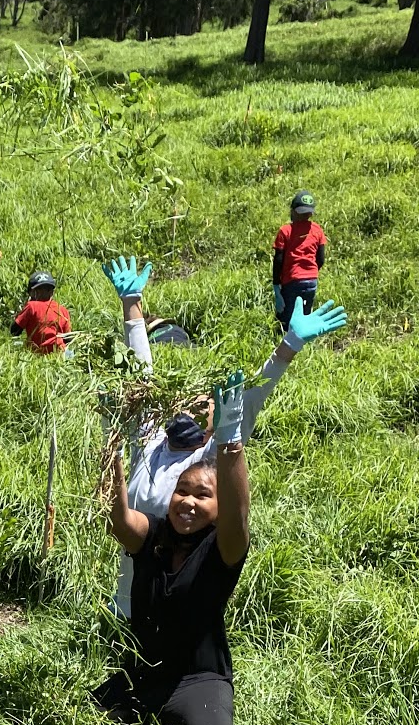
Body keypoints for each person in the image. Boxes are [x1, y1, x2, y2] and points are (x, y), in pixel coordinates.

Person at [102, 254, 347, 617]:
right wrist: (132, 305)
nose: (190, 408)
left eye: (203, 404)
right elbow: (142, 376)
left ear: (218, 416)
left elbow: (254, 395)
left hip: (179, 611)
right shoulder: (151, 441)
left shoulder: (207, 461)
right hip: (125, 606)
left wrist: (291, 342)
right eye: (184, 401)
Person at [93, 373, 274, 725]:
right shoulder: (153, 535)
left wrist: (230, 441)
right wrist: (111, 443)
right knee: (84, 718)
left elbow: (238, 513)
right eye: (182, 492)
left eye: (202, 496)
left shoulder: (223, 550)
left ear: (217, 507)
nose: (188, 502)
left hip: (196, 682)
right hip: (141, 674)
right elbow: (118, 519)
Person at [272, 191, 326, 330]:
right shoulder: (317, 230)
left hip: (292, 281)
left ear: (293, 211)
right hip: (311, 281)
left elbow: (278, 260)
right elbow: (321, 259)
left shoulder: (285, 231)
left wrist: (276, 285)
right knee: (304, 316)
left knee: (285, 319)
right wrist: (310, 272)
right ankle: (302, 341)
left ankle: (284, 341)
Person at [11, 271, 71, 354]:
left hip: (39, 351)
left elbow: (14, 331)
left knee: (16, 344)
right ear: (52, 292)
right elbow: (68, 338)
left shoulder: (31, 306)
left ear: (31, 292)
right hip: (59, 352)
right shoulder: (63, 310)